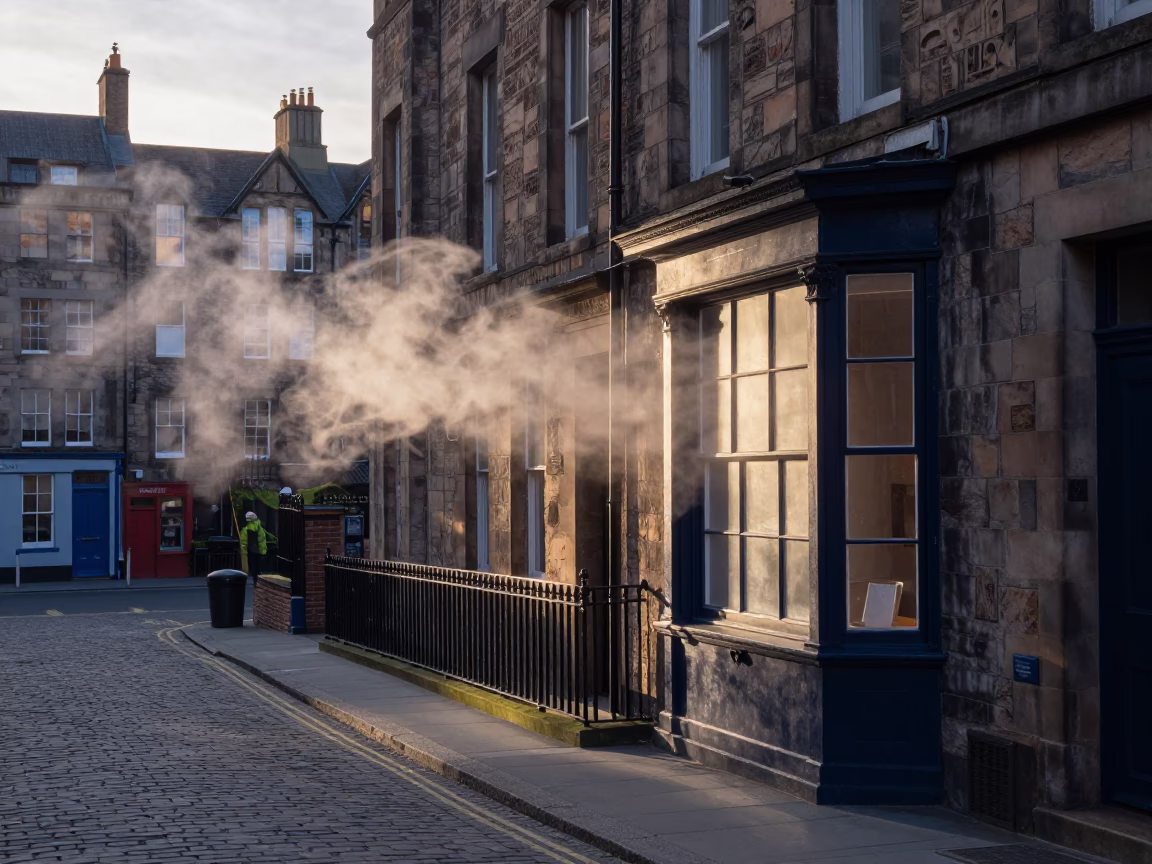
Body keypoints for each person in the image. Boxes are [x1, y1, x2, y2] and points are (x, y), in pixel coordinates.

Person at [238, 511, 268, 585]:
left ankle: (255, 580)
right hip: (259, 550)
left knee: (253, 567)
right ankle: (258, 580)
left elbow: (243, 543)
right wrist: (263, 551)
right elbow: (262, 540)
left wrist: (244, 553)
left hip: (251, 551)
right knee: (259, 567)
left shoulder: (245, 529)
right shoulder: (259, 527)